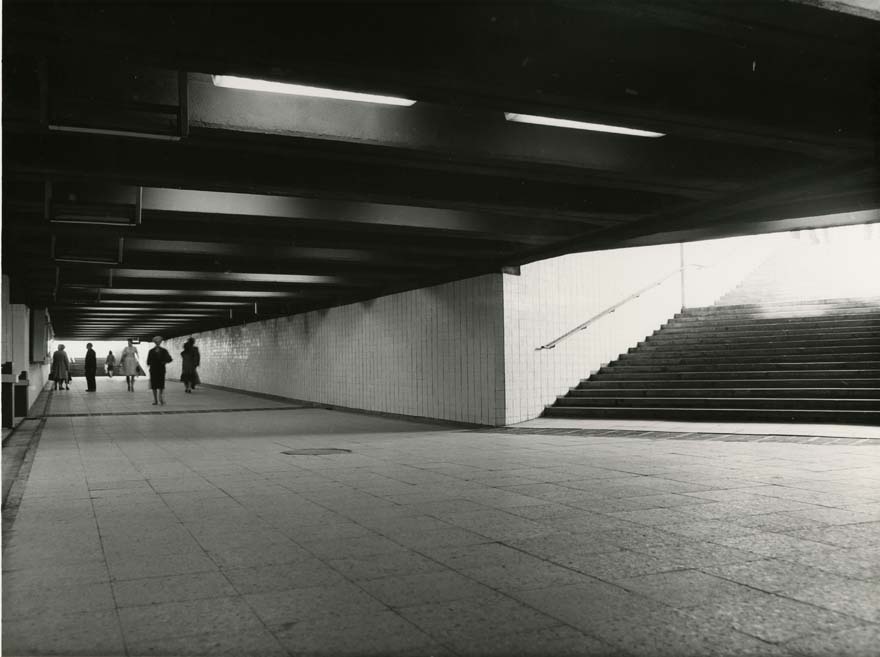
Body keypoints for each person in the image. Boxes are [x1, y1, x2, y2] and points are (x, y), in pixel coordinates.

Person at [146, 336, 173, 405]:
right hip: (154, 370)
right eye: (156, 341)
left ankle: (160, 399)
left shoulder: (163, 351)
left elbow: (170, 359)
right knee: (154, 385)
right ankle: (156, 400)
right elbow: (148, 361)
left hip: (160, 369)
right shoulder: (152, 351)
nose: (158, 343)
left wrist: (164, 361)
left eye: (159, 341)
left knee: (160, 385)